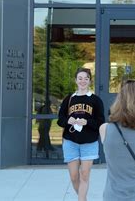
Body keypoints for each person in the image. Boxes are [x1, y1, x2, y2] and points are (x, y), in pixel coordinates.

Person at [57, 68, 105, 201]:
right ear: (75, 80)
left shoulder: (95, 100)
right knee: (73, 177)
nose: (83, 81)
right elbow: (60, 120)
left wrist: (87, 122)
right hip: (70, 142)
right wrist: (68, 121)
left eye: (86, 78)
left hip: (89, 143)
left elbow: (101, 122)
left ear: (90, 81)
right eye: (80, 78)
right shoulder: (69, 99)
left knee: (84, 176)